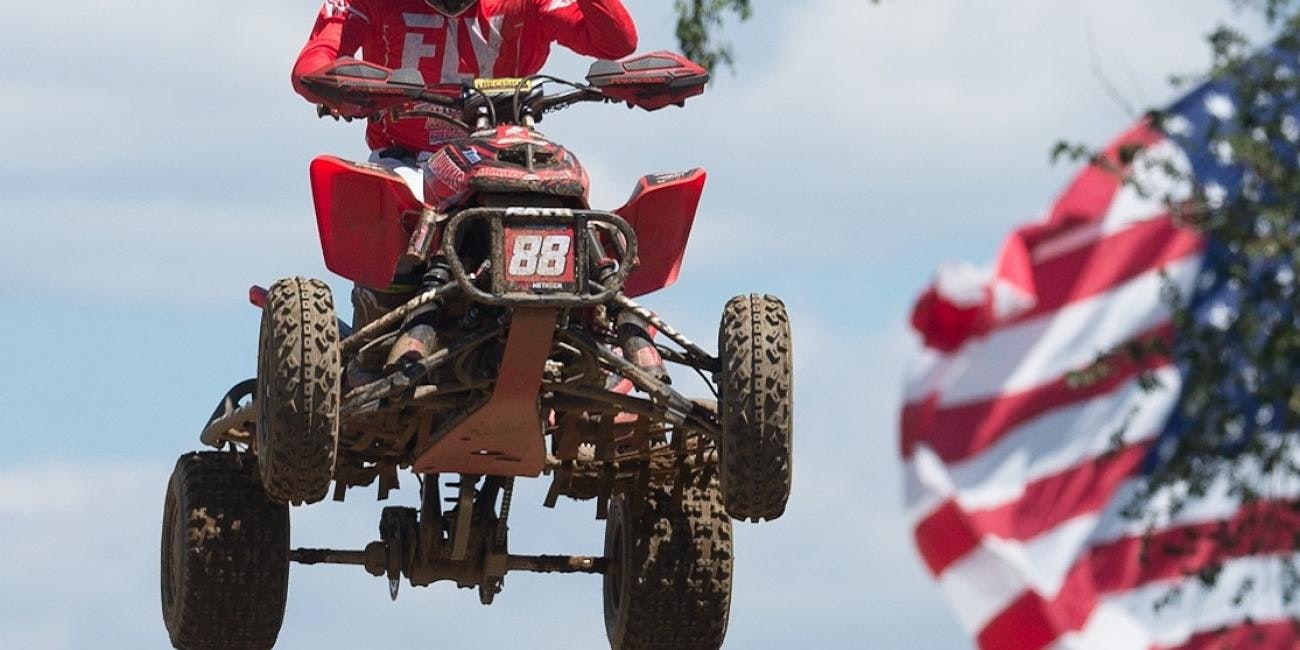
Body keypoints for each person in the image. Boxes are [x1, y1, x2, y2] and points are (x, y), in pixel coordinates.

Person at [290, 0, 638, 378]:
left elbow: (616, 42)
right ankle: (377, 345)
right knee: (389, 209)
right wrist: (341, 87)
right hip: (410, 159)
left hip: (504, 153)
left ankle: (599, 324)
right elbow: (311, 66)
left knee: (568, 190)